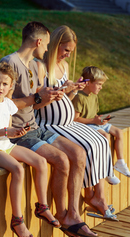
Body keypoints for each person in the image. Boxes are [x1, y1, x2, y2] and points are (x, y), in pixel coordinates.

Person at [1, 21, 101, 237]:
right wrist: (38, 98)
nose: (47, 49)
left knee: (79, 154)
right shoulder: (9, 63)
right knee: (62, 161)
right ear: (38, 41)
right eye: (46, 44)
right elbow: (2, 102)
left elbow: (35, 104)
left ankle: (73, 214)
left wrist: (53, 94)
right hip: (21, 132)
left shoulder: (34, 66)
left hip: (36, 127)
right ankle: (62, 215)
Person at [0, 62, 61, 237]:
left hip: (4, 144)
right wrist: (6, 132)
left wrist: (16, 131)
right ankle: (17, 219)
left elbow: (8, 128)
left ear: (11, 86)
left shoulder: (8, 104)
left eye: (4, 84)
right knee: (17, 169)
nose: (0, 87)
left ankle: (42, 206)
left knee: (41, 162)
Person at [35, 25, 118, 221]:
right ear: (56, 44)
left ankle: (96, 196)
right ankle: (90, 197)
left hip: (66, 122)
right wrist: (61, 90)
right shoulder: (41, 67)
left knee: (101, 140)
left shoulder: (63, 67)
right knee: (88, 145)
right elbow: (37, 102)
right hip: (49, 125)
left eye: (70, 51)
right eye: (66, 50)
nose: (68, 55)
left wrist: (72, 90)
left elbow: (65, 96)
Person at [72, 66, 130, 179]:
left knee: (118, 132)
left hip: (94, 123)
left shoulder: (94, 96)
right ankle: (107, 170)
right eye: (99, 84)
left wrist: (101, 120)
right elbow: (75, 119)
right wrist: (94, 121)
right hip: (84, 126)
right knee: (105, 136)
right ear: (88, 83)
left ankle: (120, 162)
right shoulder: (79, 97)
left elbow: (93, 114)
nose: (101, 87)